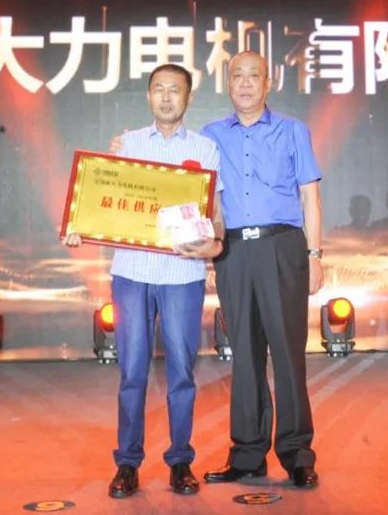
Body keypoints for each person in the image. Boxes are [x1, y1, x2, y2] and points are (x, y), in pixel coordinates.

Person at [65, 64, 225, 499]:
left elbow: (216, 215)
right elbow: (103, 202)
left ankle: (181, 461)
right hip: (132, 273)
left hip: (183, 274)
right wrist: (80, 226)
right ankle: (128, 462)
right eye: (159, 89)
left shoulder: (205, 149)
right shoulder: (127, 144)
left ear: (189, 98)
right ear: (148, 96)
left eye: (176, 90)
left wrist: (215, 243)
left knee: (182, 372)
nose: (167, 97)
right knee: (132, 372)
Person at [200, 51, 324, 489]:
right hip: (233, 252)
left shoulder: (293, 130)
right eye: (238, 75)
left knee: (288, 353)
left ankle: (297, 454)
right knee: (245, 354)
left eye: (254, 75)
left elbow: (310, 197)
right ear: (228, 83)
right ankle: (248, 454)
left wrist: (315, 255)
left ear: (268, 83)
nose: (246, 83)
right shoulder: (210, 136)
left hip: (282, 248)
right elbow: (203, 196)